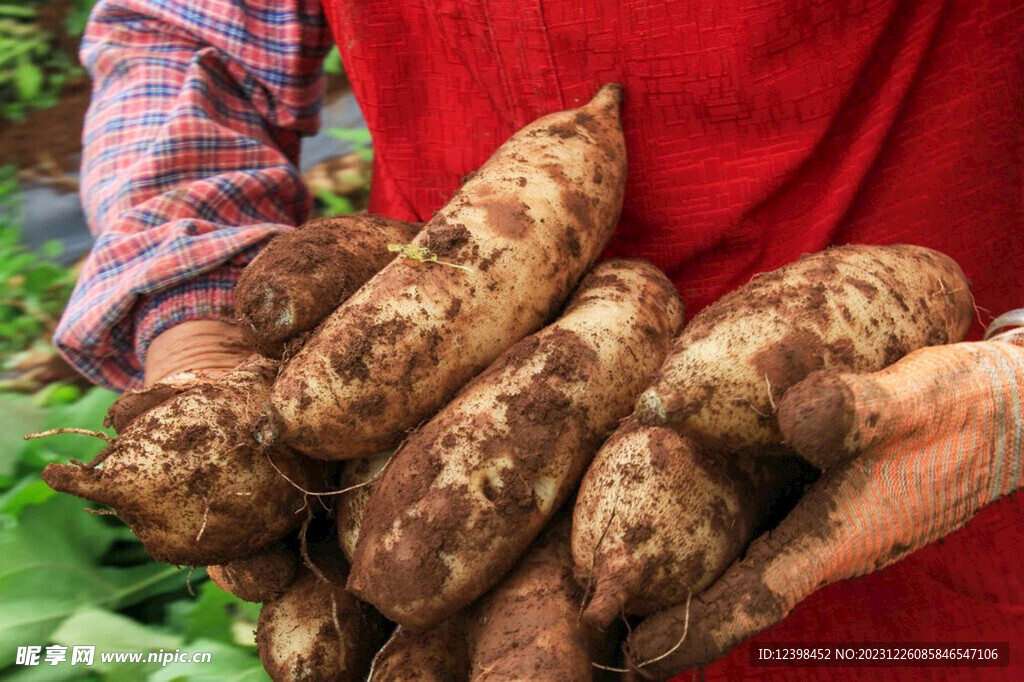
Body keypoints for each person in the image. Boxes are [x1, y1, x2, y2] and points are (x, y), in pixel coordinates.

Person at [55, 0, 1023, 678]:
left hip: (935, 445)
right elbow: (183, 31)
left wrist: (1013, 393)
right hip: (423, 388)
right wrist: (194, 324)